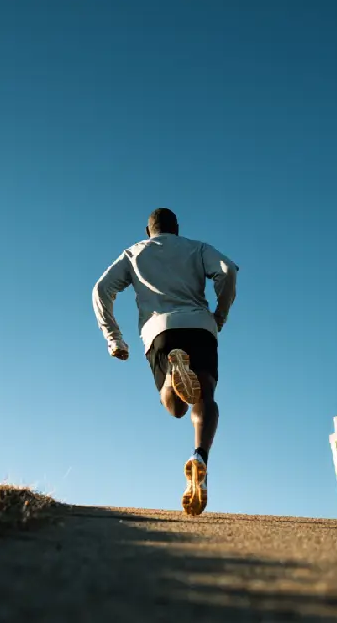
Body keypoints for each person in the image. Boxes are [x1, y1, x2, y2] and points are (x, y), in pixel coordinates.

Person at [91, 208, 239, 516]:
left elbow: (101, 290)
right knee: (205, 396)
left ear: (149, 232)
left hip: (161, 331)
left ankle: (173, 373)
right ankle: (200, 457)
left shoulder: (135, 253)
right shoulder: (197, 248)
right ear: (177, 229)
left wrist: (114, 338)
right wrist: (219, 315)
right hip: (200, 326)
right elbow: (228, 270)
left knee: (175, 408)